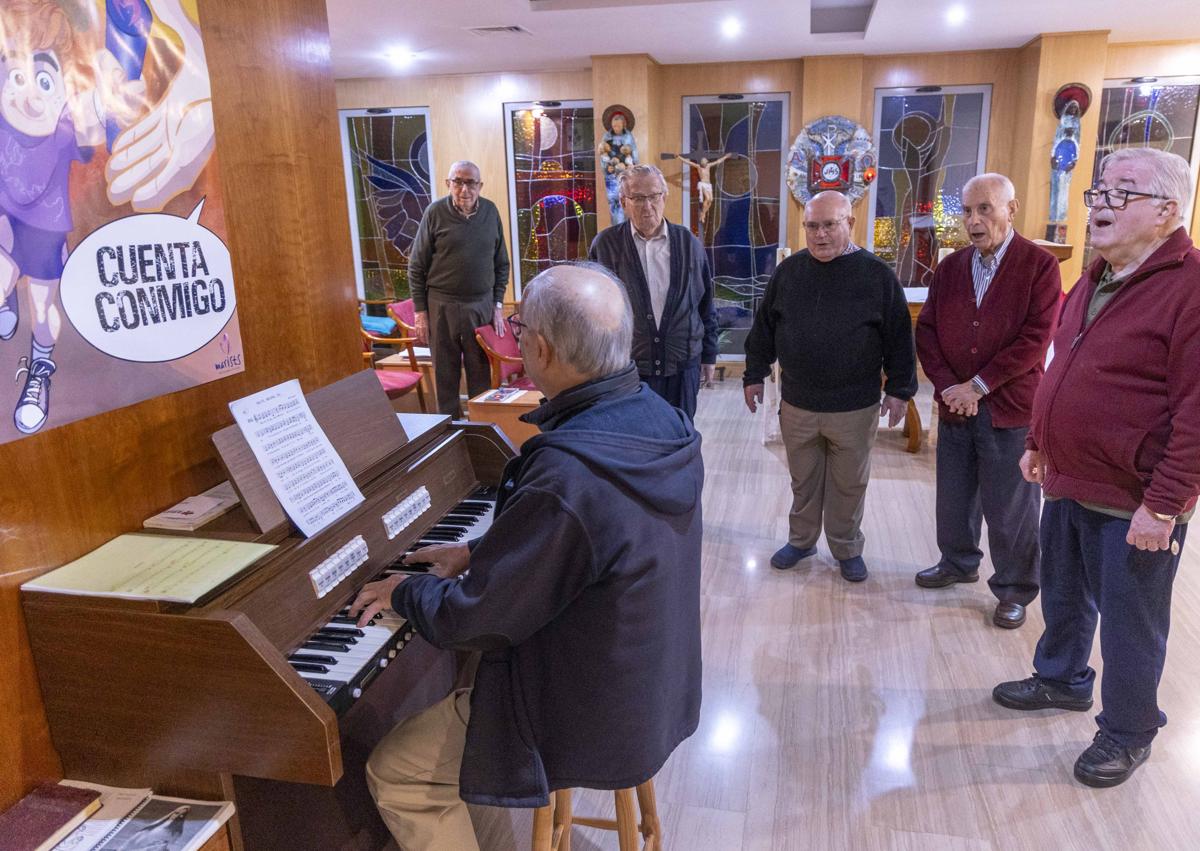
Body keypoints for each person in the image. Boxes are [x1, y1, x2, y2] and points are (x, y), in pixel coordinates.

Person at [349, 262, 704, 850]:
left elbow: (474, 619)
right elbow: (597, 538)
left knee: (399, 772)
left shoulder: (566, 472)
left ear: (538, 347)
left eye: (517, 326)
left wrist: (404, 591)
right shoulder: (664, 420)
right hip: (655, 681)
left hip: (580, 706)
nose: (514, 335)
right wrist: (480, 550)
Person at [993, 147, 1200, 788]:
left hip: (1136, 500)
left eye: (1121, 193)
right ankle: (1060, 679)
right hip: (1069, 480)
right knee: (1062, 598)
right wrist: (1038, 441)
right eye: (1099, 192)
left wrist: (1164, 505)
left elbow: (1197, 412)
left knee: (1132, 625)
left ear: (1167, 211)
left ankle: (1128, 731)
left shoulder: (1190, 287)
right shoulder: (1097, 274)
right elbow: (1060, 364)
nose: (1101, 205)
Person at [743, 190, 915, 582]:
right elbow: (765, 328)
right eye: (812, 226)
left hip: (854, 406)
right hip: (799, 403)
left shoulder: (876, 275)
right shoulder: (789, 272)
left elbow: (899, 338)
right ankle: (802, 541)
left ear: (849, 224)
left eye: (829, 225)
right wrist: (753, 373)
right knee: (803, 480)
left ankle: (846, 546)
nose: (820, 235)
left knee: (848, 483)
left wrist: (901, 389)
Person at [914, 173, 1061, 629]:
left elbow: (1036, 339)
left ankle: (1014, 588)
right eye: (967, 210)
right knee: (955, 496)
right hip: (956, 406)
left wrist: (978, 386)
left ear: (1011, 210)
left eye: (985, 209)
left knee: (1010, 507)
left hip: (1010, 409)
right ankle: (958, 562)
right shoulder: (952, 267)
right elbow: (929, 332)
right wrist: (947, 388)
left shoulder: (1039, 266)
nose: (973, 220)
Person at [587, 164, 718, 419]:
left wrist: (710, 355)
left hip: (682, 366)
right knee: (635, 444)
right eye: (637, 198)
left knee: (680, 437)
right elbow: (593, 312)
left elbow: (705, 304)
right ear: (624, 202)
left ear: (664, 197)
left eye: (654, 196)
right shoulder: (605, 246)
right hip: (627, 369)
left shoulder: (689, 244)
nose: (647, 206)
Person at [408, 160, 510, 418]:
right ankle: (449, 431)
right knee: (445, 374)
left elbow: (502, 264)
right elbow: (416, 266)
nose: (464, 189)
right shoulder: (434, 213)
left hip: (481, 305)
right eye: (458, 182)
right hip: (442, 305)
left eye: (470, 183)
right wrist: (420, 313)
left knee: (480, 373)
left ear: (480, 186)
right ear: (448, 184)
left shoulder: (490, 211)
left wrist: (498, 305)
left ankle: (481, 429)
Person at [675, 152, 733, 225]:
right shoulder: (698, 167)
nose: (703, 163)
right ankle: (702, 214)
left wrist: (726, 157)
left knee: (711, 200)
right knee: (708, 198)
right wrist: (679, 157)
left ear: (706, 162)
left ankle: (704, 213)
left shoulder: (708, 166)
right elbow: (688, 162)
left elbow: (718, 161)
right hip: (703, 184)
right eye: (702, 161)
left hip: (708, 185)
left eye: (704, 161)